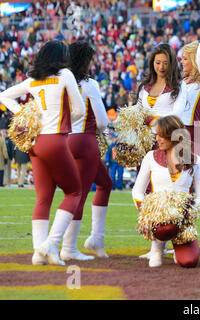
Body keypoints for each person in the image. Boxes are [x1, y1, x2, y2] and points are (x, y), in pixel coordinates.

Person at [0, 40, 85, 265]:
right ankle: (51, 244)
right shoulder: (66, 74)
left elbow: (4, 95)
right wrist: (65, 121)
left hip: (35, 142)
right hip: (56, 140)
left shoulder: (34, 80)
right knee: (74, 192)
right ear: (61, 57)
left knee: (43, 197)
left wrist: (28, 117)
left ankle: (39, 252)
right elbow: (80, 110)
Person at [132, 115, 200, 268]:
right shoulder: (150, 157)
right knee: (164, 227)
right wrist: (148, 211)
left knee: (188, 262)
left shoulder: (194, 160)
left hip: (183, 220)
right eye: (156, 135)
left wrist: (187, 210)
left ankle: (177, 247)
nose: (158, 139)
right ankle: (157, 249)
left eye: (162, 135)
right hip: (159, 221)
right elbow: (137, 191)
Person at [63, 41, 112, 261]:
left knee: (106, 183)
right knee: (79, 195)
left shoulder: (61, 81)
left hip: (63, 141)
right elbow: (102, 122)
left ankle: (96, 239)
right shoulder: (88, 84)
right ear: (85, 61)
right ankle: (68, 247)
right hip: (85, 140)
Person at [172, 40, 200, 156]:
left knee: (192, 169)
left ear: (195, 61)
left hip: (193, 132)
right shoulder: (182, 81)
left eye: (185, 58)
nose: (181, 61)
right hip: (176, 129)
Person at [134, 43, 182, 129]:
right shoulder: (144, 86)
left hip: (167, 137)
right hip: (145, 139)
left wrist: (152, 120)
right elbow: (138, 109)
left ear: (172, 64)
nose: (161, 67)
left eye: (165, 63)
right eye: (158, 63)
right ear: (152, 63)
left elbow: (177, 114)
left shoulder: (179, 85)